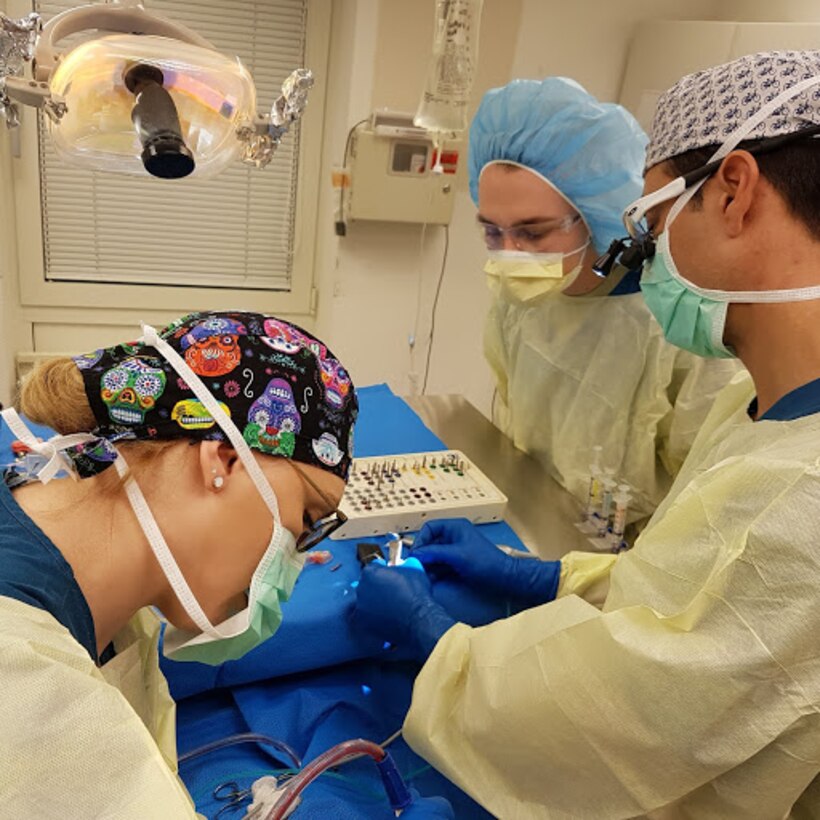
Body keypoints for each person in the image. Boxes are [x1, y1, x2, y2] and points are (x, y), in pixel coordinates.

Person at [354, 50, 820, 817]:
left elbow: (631, 718)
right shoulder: (764, 407)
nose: (649, 255)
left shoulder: (798, 501)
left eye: (659, 222)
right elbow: (681, 590)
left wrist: (438, 646)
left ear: (734, 191)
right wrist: (558, 580)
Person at [0, 311, 450, 818]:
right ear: (223, 460)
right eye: (305, 519)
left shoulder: (54, 530)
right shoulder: (21, 690)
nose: (294, 560)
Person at [472, 77, 740, 523]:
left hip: (625, 551)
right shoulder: (519, 295)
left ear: (598, 212)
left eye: (533, 232)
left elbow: (706, 487)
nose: (509, 254)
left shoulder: (674, 319)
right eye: (492, 231)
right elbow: (512, 405)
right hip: (530, 510)